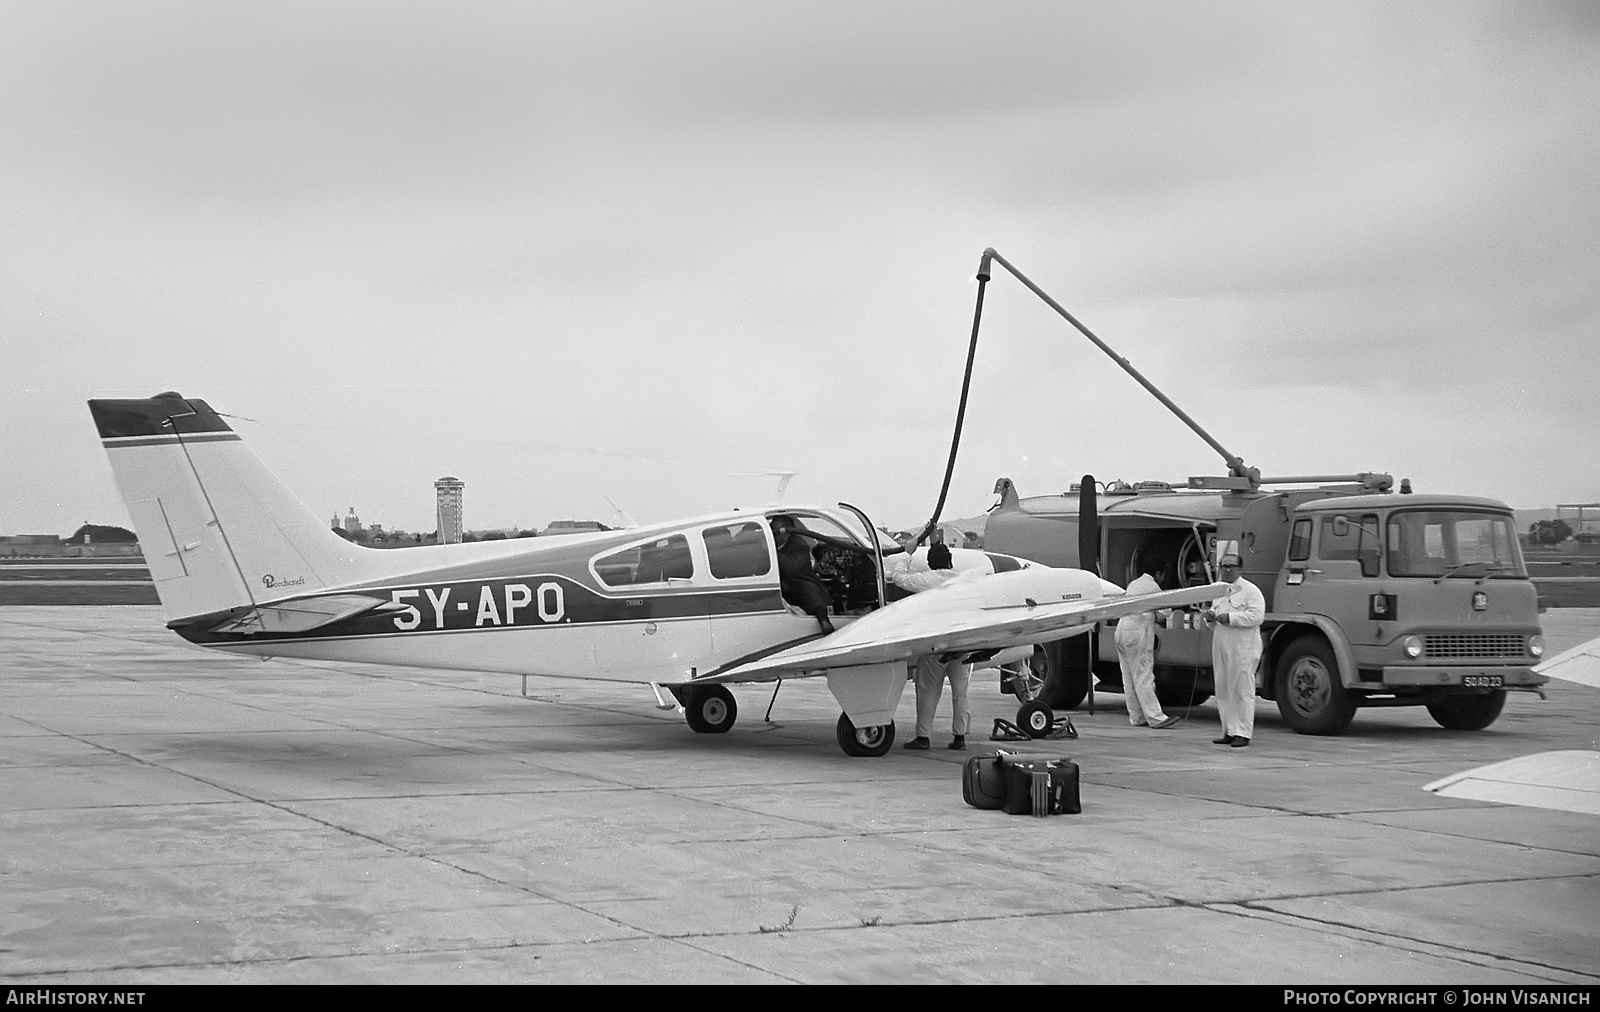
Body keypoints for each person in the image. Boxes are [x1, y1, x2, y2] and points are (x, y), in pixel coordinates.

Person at [900, 541, 972, 751]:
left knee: (927, 691)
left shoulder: (927, 580)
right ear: (950, 560)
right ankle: (960, 738)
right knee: (961, 693)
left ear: (931, 564)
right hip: (963, 644)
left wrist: (907, 552)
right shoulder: (964, 580)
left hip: (936, 645)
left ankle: (923, 736)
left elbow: (899, 578)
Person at [1200, 554, 1266, 747]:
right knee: (1223, 688)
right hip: (1221, 642)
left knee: (1241, 689)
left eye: (1232, 566)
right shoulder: (1219, 591)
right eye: (1224, 566)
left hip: (1243, 646)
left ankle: (1242, 733)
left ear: (1240, 569)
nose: (1227, 570)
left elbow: (1257, 616)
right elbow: (1214, 617)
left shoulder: (1250, 590)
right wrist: (1210, 618)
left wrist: (1231, 618)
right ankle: (1228, 730)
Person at [1114, 560, 1181, 730]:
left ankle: (1136, 716)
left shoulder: (1134, 584)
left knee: (1128, 677)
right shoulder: (1152, 586)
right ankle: (1156, 717)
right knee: (1143, 676)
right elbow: (1164, 613)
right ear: (1158, 574)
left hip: (1121, 631)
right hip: (1136, 635)